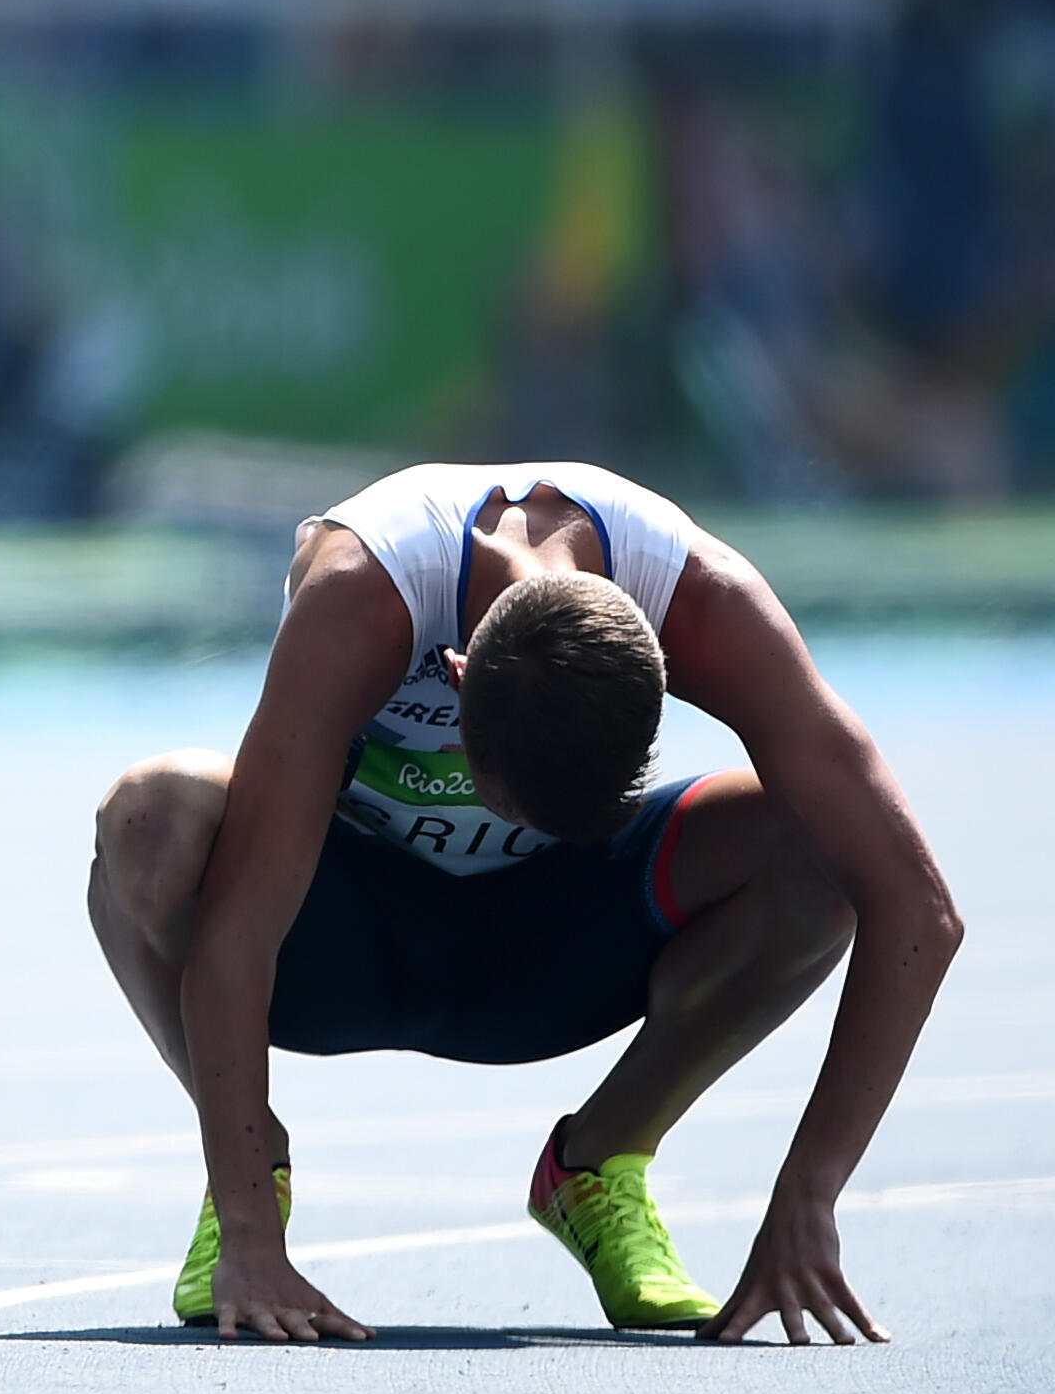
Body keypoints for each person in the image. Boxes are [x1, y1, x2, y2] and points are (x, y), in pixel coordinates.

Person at [87, 458, 960, 1347]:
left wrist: (809, 1192)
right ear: (459, 680)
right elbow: (236, 942)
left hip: (550, 954)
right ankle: (248, 1156)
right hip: (345, 941)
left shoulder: (705, 602)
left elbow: (920, 911)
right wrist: (247, 1228)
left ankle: (601, 1162)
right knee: (149, 821)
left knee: (821, 849)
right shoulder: (363, 593)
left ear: (662, 673)